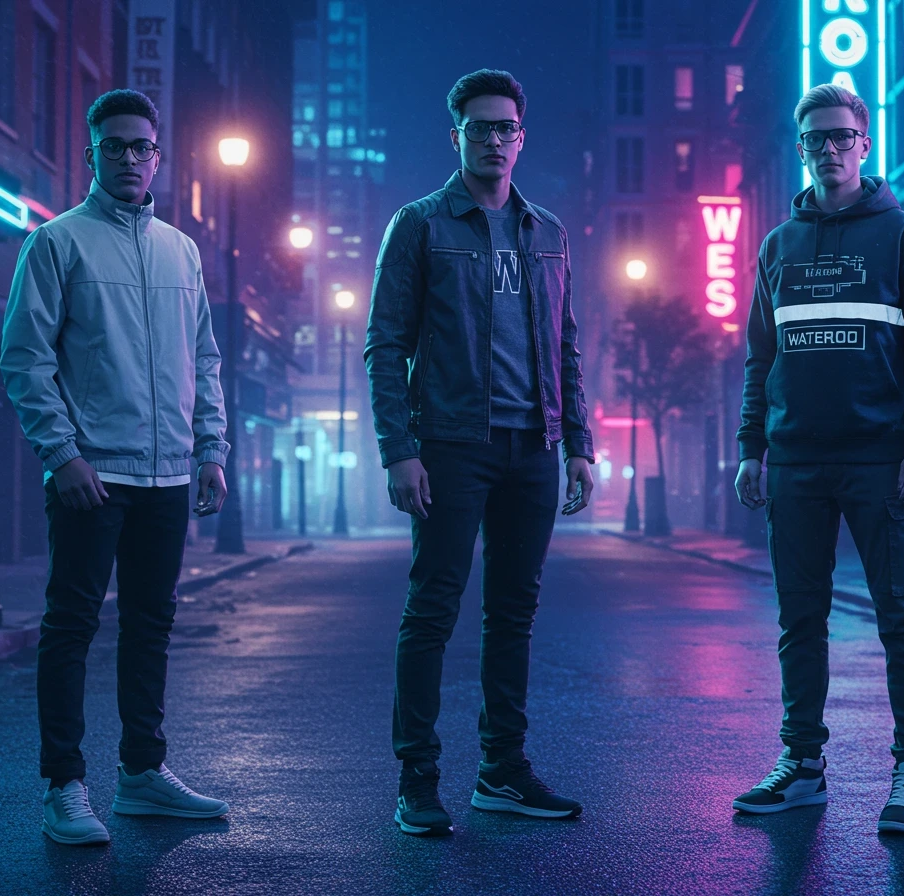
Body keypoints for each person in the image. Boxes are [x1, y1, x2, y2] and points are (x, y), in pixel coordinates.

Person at [365, 69, 595, 837]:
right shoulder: (421, 225)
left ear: (522, 138)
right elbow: (385, 344)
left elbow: (566, 345)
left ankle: (502, 772)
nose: (494, 140)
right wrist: (400, 449)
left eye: (507, 129)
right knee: (433, 607)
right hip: (452, 444)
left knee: (514, 613)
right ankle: (418, 781)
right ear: (456, 134)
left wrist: (579, 446)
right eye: (480, 128)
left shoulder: (549, 233)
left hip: (532, 445)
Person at [1, 89, 231, 846]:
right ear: (92, 152)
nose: (131, 159)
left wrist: (211, 451)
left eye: (143, 147)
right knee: (70, 626)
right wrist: (61, 453)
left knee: (150, 626)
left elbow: (204, 357)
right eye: (116, 146)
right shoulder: (57, 242)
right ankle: (65, 786)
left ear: (159, 155)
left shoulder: (181, 248)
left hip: (169, 476)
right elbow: (26, 359)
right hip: (92, 476)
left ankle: (141, 775)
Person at [731, 84, 904, 834]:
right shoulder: (777, 246)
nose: (828, 150)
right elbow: (758, 359)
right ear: (801, 148)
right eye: (814, 140)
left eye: (841, 137)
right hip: (795, 463)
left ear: (865, 144)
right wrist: (751, 449)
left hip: (882, 461)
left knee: (901, 617)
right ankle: (802, 763)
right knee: (800, 620)